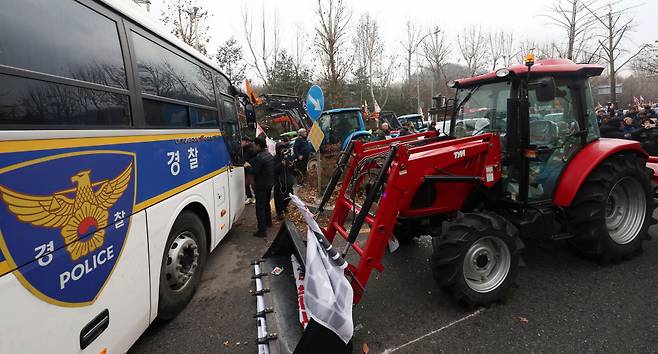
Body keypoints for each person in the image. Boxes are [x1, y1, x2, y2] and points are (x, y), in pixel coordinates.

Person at [246, 137, 274, 237]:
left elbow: (255, 171)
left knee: (260, 208)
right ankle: (268, 223)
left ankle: (262, 231)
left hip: (261, 185)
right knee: (266, 204)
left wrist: (248, 167)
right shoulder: (268, 154)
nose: (253, 147)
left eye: (254, 145)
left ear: (258, 145)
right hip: (269, 184)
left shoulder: (260, 157)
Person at [273, 142, 296, 220]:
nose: (283, 150)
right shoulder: (275, 158)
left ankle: (284, 206)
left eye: (284, 148)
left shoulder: (288, 157)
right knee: (278, 198)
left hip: (288, 180)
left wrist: (292, 165)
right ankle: (279, 212)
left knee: (289, 195)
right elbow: (273, 170)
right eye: (281, 148)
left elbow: (292, 169)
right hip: (279, 181)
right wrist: (280, 165)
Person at [241, 136, 256, 204]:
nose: (241, 142)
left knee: (252, 184)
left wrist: (249, 162)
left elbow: (256, 159)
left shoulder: (252, 149)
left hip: (251, 170)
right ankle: (249, 197)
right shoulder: (243, 148)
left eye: (242, 141)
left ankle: (256, 197)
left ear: (246, 141)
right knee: (246, 184)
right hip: (246, 170)